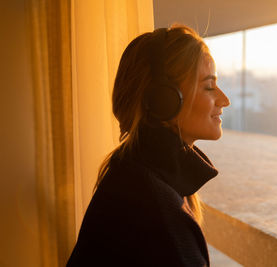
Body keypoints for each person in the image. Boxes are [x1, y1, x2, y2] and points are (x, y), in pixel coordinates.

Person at [67, 24, 230, 266]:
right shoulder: (157, 213)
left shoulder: (131, 173)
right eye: (208, 86)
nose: (224, 100)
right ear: (164, 100)